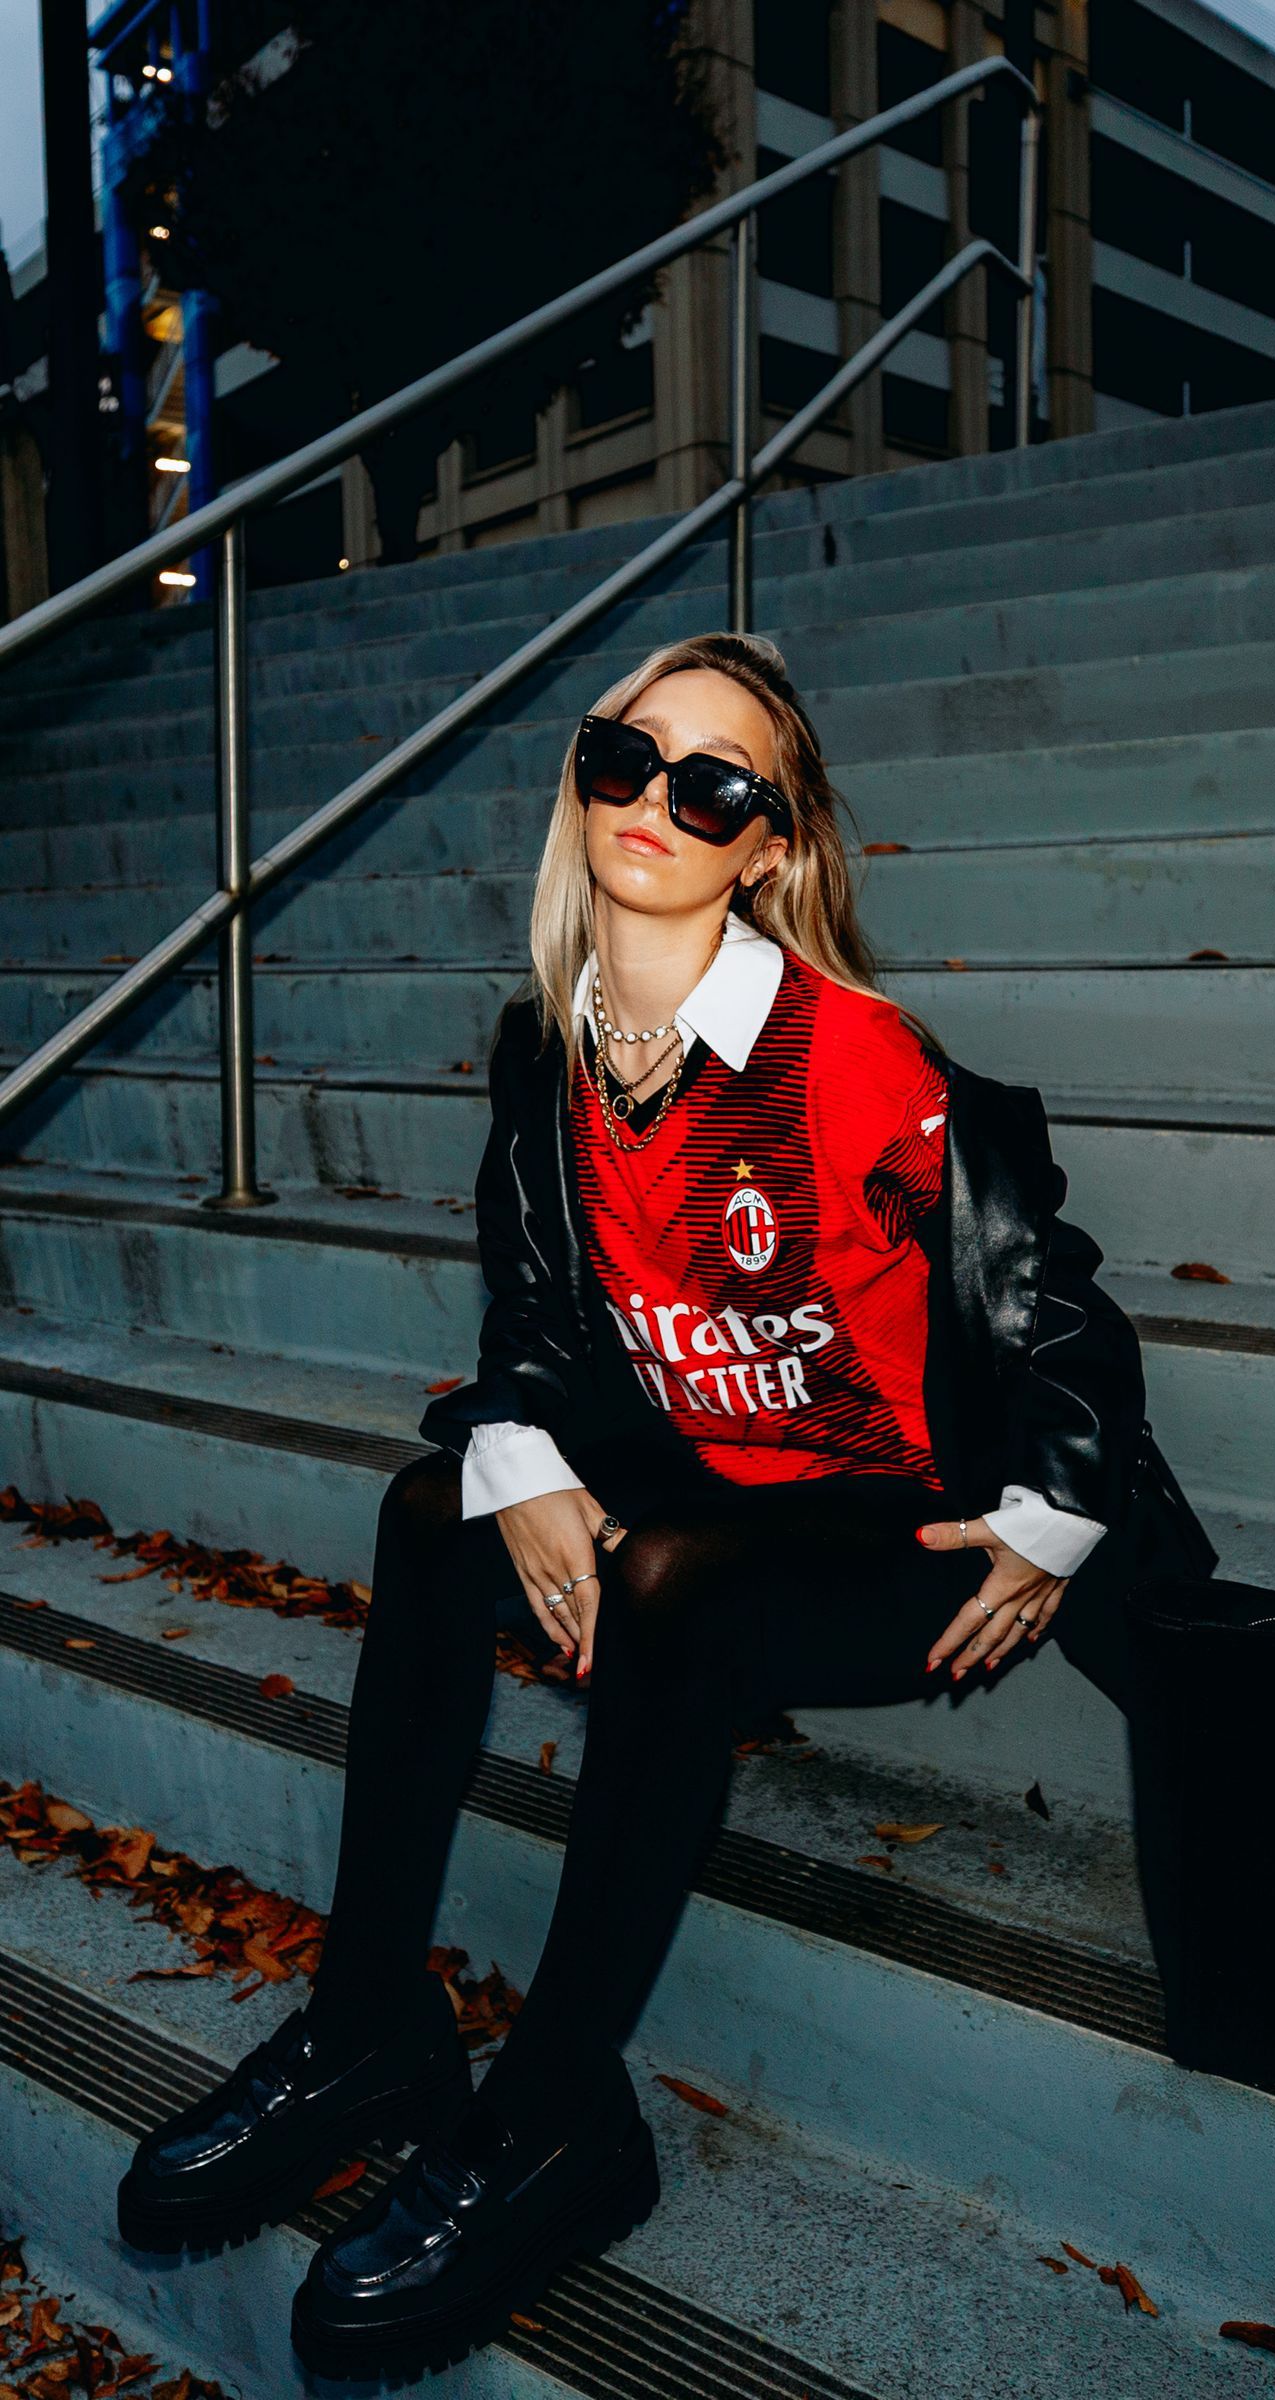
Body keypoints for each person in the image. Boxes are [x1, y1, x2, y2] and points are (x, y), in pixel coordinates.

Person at [114, 630, 1218, 2380]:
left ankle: (560, 2119)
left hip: (901, 1522)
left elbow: (1052, 1305)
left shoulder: (841, 1050)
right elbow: (543, 1321)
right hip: (711, 1470)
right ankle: (373, 2029)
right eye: (624, 757)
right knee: (431, 1512)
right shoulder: (546, 1053)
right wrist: (527, 1457)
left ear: (766, 846)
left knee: (682, 1589)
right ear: (581, 779)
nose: (655, 802)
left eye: (714, 785)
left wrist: (1051, 1517)